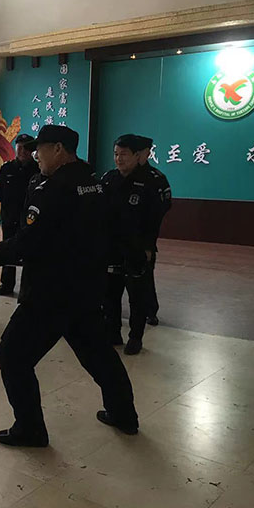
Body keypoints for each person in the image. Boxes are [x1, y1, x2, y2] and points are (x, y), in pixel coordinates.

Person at [0, 125, 138, 447]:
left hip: (49, 294)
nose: (36, 156)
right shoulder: (95, 183)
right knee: (98, 355)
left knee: (12, 357)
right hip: (86, 289)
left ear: (58, 149)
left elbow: (29, 241)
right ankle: (124, 414)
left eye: (40, 150)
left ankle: (30, 428)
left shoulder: (54, 188)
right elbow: (113, 232)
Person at [101, 134, 163, 355]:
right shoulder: (109, 179)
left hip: (137, 248)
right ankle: (113, 332)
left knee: (137, 296)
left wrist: (148, 247)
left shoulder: (152, 181)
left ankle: (135, 337)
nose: (119, 159)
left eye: (124, 154)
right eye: (116, 154)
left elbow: (155, 218)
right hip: (111, 248)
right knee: (110, 294)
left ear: (137, 156)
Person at [0, 133, 40, 296]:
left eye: (26, 148)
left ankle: (28, 287)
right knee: (8, 250)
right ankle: (6, 284)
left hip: (29, 219)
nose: (23, 152)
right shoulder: (7, 168)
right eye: (20, 148)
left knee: (30, 252)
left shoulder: (37, 169)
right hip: (10, 217)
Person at [136, 136, 172, 326]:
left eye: (139, 152)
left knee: (144, 277)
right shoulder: (115, 177)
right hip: (117, 239)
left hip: (144, 238)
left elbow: (162, 208)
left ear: (147, 153)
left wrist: (148, 242)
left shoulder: (156, 178)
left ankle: (150, 311)